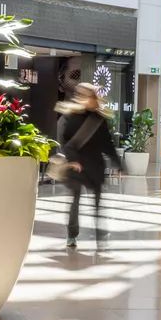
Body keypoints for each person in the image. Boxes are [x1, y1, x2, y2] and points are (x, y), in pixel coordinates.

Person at [57, 83, 121, 250]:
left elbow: (107, 144)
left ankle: (100, 235)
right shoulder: (71, 116)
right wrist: (72, 160)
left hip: (95, 166)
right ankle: (72, 234)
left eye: (90, 96)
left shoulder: (99, 119)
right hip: (76, 167)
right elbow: (65, 141)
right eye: (84, 96)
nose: (88, 100)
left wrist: (118, 164)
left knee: (98, 202)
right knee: (75, 201)